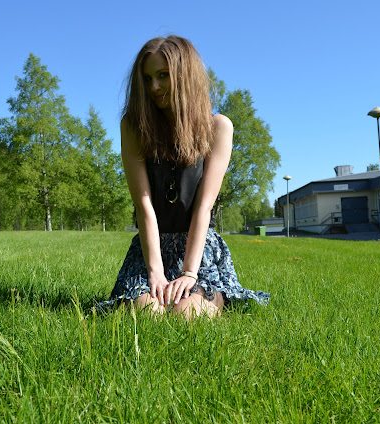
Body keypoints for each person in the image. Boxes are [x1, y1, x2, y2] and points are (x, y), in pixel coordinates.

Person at [99, 35, 270, 318]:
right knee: (147, 312)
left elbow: (204, 206)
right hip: (151, 249)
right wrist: (155, 272)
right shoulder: (133, 127)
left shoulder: (218, 127)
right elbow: (144, 205)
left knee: (186, 313)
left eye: (163, 76)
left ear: (185, 76)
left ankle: (209, 299)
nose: (154, 87)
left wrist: (189, 272)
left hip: (198, 249)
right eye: (147, 79)